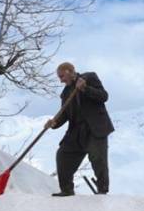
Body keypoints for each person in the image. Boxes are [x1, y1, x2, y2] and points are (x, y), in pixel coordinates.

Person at [45, 62, 113, 196]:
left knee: (98, 159)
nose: (61, 80)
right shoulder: (65, 93)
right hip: (76, 131)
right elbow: (64, 115)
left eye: (62, 76)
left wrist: (85, 89)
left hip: (95, 128)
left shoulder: (89, 78)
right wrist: (53, 123)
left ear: (70, 71)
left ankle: (102, 191)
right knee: (63, 155)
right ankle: (67, 190)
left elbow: (103, 96)